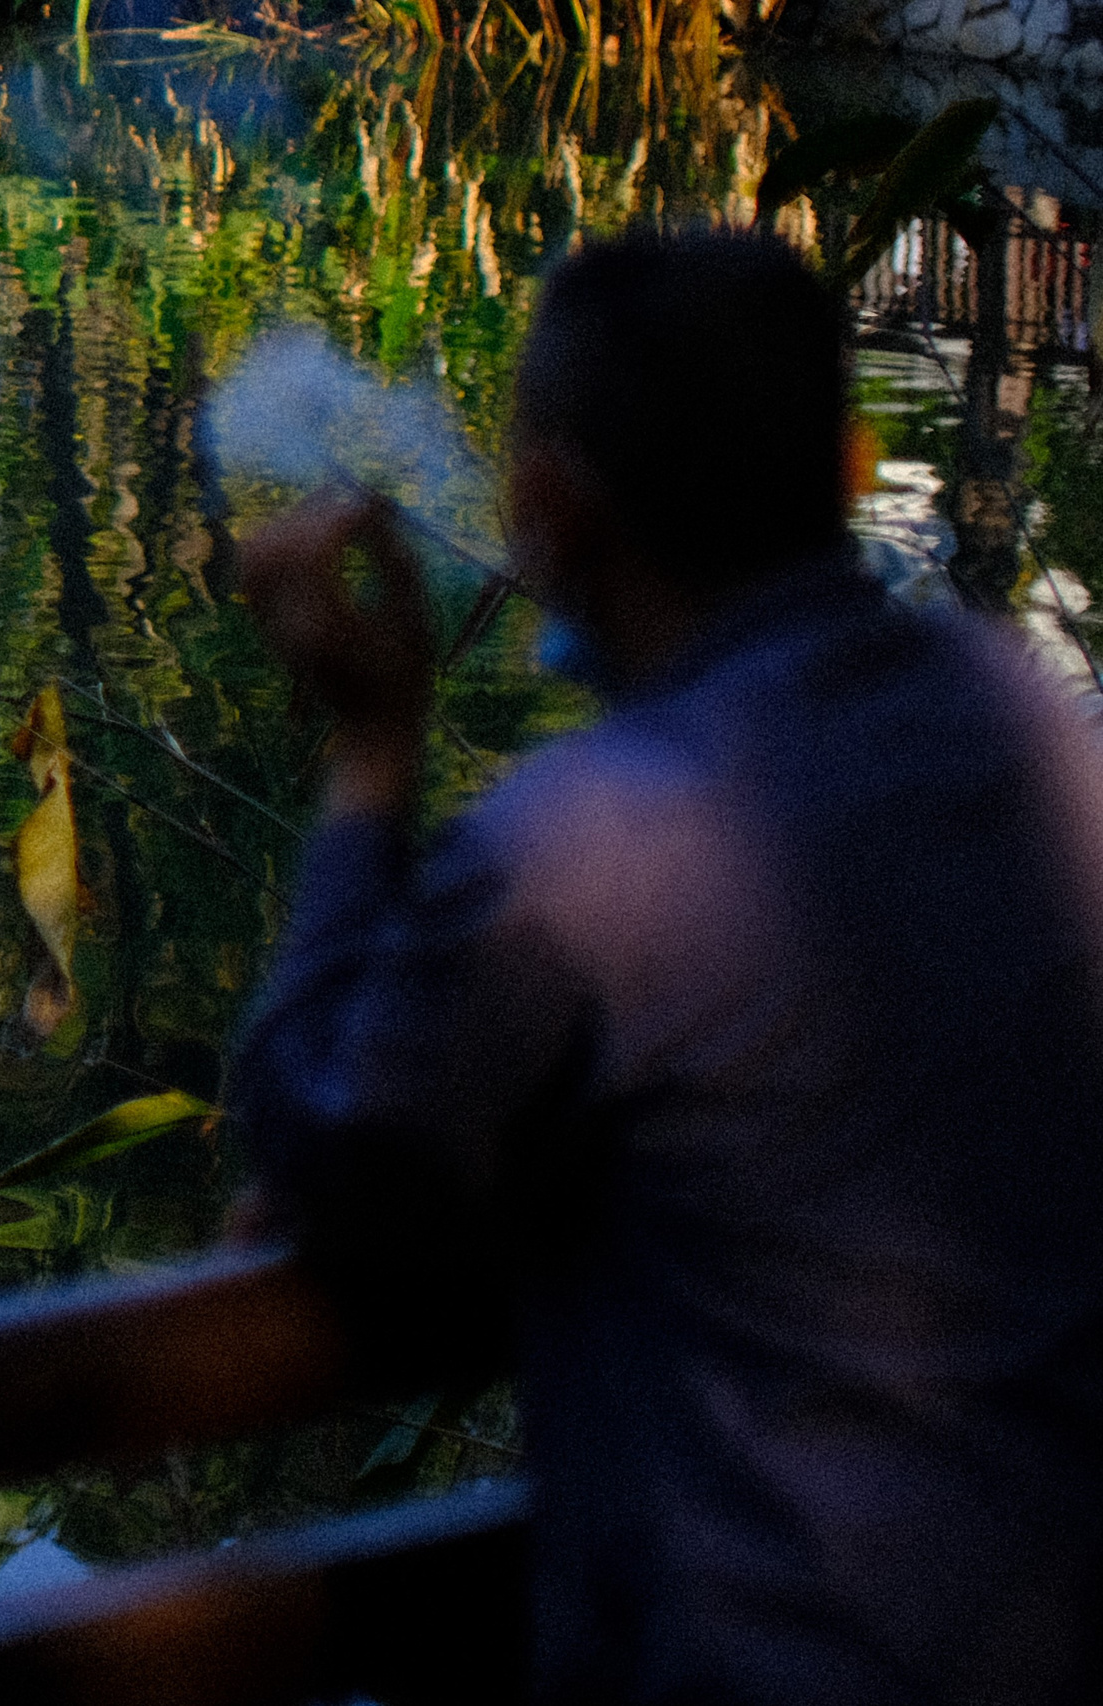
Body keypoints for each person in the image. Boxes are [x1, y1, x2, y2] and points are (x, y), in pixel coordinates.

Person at [226, 230, 1103, 1706]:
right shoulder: (1027, 726)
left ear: (551, 507)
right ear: (843, 466)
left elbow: (323, 1144)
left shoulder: (596, 847)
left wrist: (374, 749)